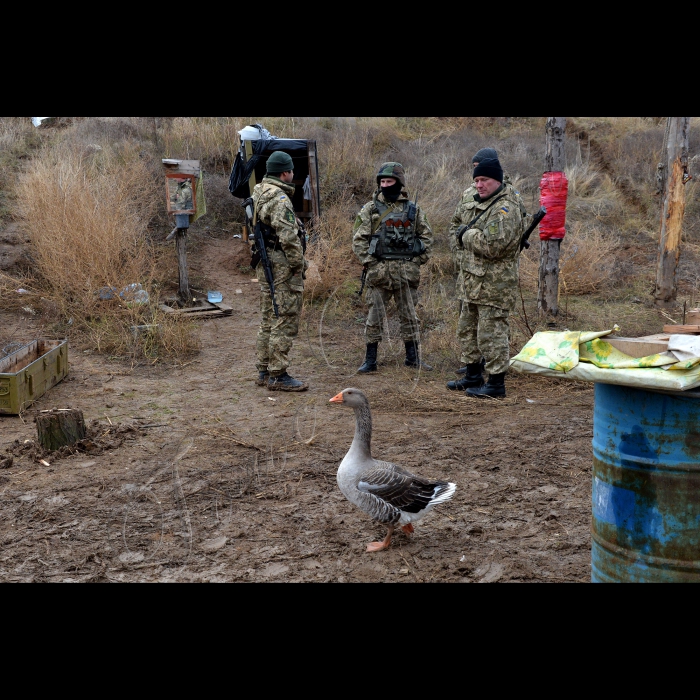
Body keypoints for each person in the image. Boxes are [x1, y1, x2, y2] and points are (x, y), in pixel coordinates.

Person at [447, 154, 524, 399]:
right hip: (472, 281)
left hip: (494, 285)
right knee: (467, 330)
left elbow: (492, 246)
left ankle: (496, 383)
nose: (480, 184)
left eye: (485, 180)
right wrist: (464, 235)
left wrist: (465, 235)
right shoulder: (482, 203)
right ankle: (472, 375)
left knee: (492, 335)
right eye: (477, 180)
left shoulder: (505, 209)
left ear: (498, 180)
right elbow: (458, 226)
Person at [353, 162, 434, 374]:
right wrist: (371, 264)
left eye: (389, 181)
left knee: (410, 316)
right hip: (379, 274)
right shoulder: (370, 209)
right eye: (382, 181)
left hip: (406, 273)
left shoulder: (413, 210)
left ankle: (413, 358)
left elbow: (427, 239)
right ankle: (370, 360)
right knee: (374, 317)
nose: (385, 185)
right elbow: (358, 241)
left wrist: (416, 261)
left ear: (399, 183)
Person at [252, 151, 309, 392]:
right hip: (281, 263)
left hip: (265, 262)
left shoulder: (260, 191)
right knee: (284, 317)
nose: (293, 175)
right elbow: (288, 237)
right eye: (291, 171)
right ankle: (278, 374)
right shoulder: (280, 198)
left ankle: (264, 370)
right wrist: (300, 265)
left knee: (268, 316)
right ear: (285, 172)